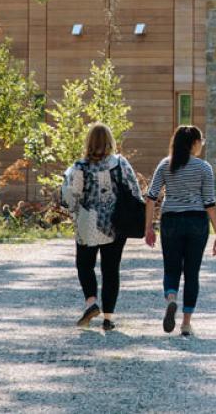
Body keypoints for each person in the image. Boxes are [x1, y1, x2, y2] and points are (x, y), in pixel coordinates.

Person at [61, 122, 142, 331]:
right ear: (110, 142)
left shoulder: (80, 167)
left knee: (85, 265)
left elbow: (70, 197)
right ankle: (108, 318)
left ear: (88, 142)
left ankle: (91, 302)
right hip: (115, 223)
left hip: (88, 222)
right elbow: (135, 191)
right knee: (111, 270)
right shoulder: (120, 164)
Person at [145, 125, 216, 337]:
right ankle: (186, 323)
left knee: (171, 269)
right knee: (191, 273)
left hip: (171, 221)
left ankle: (171, 299)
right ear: (194, 143)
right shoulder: (204, 168)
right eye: (201, 141)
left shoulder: (165, 165)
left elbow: (151, 197)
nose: (202, 145)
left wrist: (148, 227)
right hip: (197, 222)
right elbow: (209, 203)